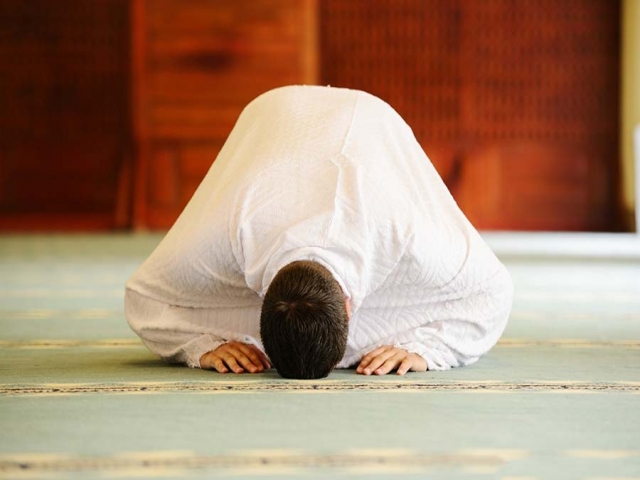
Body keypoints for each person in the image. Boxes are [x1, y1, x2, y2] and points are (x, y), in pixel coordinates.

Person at [125, 85, 513, 380]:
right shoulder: (230, 232)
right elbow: (143, 297)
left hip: (373, 120)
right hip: (271, 115)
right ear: (258, 302)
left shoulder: (405, 233)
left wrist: (426, 351)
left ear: (348, 307)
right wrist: (204, 348)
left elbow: (493, 292)